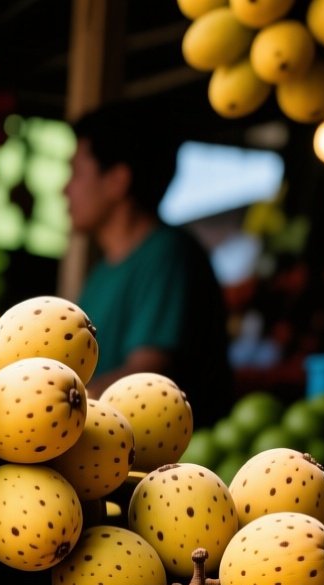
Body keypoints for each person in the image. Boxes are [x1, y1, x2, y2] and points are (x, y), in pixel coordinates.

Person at [64, 103, 232, 419]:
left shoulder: (168, 255)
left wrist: (56, 403)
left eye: (76, 173)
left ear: (117, 180)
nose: (64, 189)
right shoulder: (103, 272)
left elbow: (146, 375)